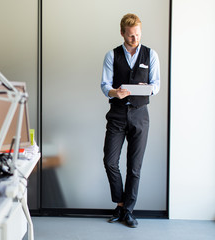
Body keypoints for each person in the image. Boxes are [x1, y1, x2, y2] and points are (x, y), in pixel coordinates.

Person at [100, 13, 160, 228]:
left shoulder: (150, 54)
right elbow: (105, 85)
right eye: (131, 35)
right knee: (110, 161)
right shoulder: (112, 55)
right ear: (122, 33)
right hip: (117, 114)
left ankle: (128, 211)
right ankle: (121, 201)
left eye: (138, 34)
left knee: (134, 167)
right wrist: (115, 92)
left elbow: (157, 84)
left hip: (140, 114)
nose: (135, 39)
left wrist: (148, 89)